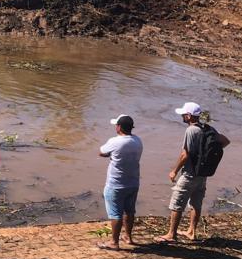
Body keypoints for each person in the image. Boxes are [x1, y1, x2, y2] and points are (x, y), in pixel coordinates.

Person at [157, 101, 230, 243]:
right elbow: (226, 141)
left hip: (190, 174)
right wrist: (207, 156)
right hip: (203, 174)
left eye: (184, 114)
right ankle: (191, 231)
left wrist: (174, 171)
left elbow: (185, 154)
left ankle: (171, 234)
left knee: (177, 202)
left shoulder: (191, 130)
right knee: (196, 203)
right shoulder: (209, 129)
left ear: (189, 116)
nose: (182, 117)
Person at [97, 114, 143, 250]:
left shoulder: (115, 141)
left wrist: (110, 155)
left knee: (115, 213)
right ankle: (128, 237)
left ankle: (114, 242)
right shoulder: (138, 140)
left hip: (116, 183)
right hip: (133, 182)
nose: (115, 127)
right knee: (129, 211)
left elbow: (101, 152)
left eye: (116, 125)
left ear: (119, 127)